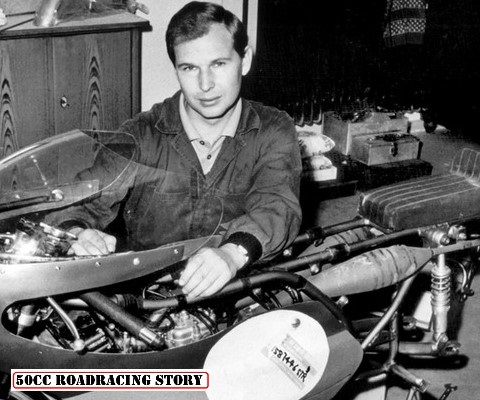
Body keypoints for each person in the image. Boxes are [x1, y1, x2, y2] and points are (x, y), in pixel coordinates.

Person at [50, 1, 302, 299]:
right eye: (189, 68)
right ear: (176, 70)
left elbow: (277, 206)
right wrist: (79, 233)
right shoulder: (139, 134)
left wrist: (232, 255)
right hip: (151, 300)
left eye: (219, 64)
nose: (205, 84)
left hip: (240, 289)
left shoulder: (274, 129)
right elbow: (78, 199)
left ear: (244, 61)